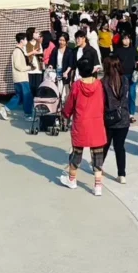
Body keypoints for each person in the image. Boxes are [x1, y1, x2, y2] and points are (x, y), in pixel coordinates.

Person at [59, 55, 108, 195]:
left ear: (79, 71)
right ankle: (98, 187)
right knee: (98, 155)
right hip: (97, 124)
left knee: (76, 153)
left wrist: (65, 115)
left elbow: (69, 105)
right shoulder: (99, 85)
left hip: (81, 124)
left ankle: (72, 180)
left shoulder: (76, 86)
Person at [103, 53, 131, 183]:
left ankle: (98, 167)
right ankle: (122, 174)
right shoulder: (125, 80)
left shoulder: (103, 82)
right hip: (123, 117)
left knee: (105, 145)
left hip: (109, 118)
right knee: (120, 147)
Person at [115, 31, 138, 122]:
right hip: (122, 75)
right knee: (122, 95)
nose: (126, 40)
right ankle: (122, 112)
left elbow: (137, 59)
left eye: (127, 39)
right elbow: (114, 62)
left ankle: (131, 114)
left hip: (132, 75)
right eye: (124, 39)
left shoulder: (133, 49)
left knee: (132, 95)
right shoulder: (118, 50)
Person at [11, 32, 34, 117]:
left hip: (20, 77)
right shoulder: (17, 51)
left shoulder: (20, 50)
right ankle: (28, 114)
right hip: (21, 77)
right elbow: (18, 65)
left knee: (19, 97)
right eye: (25, 39)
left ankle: (5, 108)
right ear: (21, 41)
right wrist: (28, 68)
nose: (26, 41)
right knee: (27, 96)